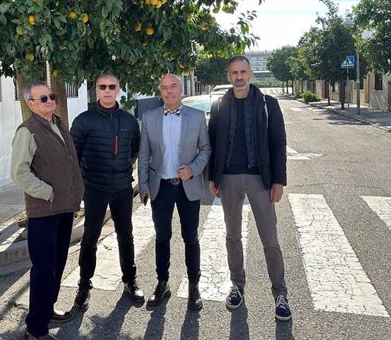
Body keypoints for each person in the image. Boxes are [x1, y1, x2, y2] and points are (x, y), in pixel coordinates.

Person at [208, 55, 291, 321]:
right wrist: (213, 177)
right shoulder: (220, 105)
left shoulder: (268, 104)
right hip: (229, 179)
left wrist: (278, 181)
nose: (239, 77)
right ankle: (237, 286)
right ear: (228, 75)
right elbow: (212, 143)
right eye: (234, 72)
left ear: (251, 74)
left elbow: (278, 144)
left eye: (243, 71)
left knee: (270, 239)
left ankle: (280, 294)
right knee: (232, 236)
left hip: (260, 180)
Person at [10, 81, 84, 340]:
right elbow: (19, 173)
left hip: (64, 208)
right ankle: (36, 331)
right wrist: (47, 192)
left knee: (57, 263)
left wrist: (76, 193)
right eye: (42, 99)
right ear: (30, 103)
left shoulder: (57, 123)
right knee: (43, 269)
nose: (49, 101)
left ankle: (47, 309)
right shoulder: (27, 131)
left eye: (51, 96)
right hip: (44, 211)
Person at [70, 73, 143, 311]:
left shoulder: (129, 121)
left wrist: (123, 170)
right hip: (94, 189)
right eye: (103, 86)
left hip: (122, 188)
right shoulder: (83, 121)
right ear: (96, 90)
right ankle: (84, 285)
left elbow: (134, 150)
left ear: (119, 89)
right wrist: (82, 185)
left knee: (126, 236)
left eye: (112, 86)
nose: (108, 90)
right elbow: (74, 156)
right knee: (90, 238)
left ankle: (130, 281)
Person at [138, 74, 211, 310]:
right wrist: (143, 184)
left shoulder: (197, 117)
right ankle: (162, 283)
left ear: (181, 90)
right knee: (162, 237)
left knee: (191, 237)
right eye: (164, 88)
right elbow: (144, 154)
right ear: (160, 92)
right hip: (161, 186)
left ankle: (193, 286)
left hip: (188, 187)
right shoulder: (149, 118)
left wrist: (193, 169)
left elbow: (206, 148)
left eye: (173, 87)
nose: (168, 92)